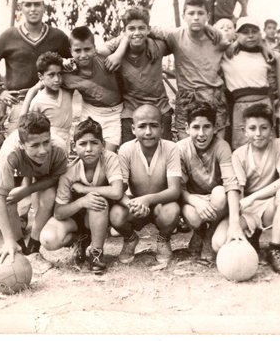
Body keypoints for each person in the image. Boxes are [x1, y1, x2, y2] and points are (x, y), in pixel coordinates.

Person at [0, 0, 72, 137]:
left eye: (37, 4)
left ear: (44, 7)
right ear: (21, 7)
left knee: (53, 148)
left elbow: (72, 62)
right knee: (17, 147)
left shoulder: (58, 36)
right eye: (28, 5)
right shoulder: (9, 36)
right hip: (20, 103)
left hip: (51, 101)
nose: (33, 9)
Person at [40, 118, 124, 274]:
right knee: (48, 239)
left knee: (97, 201)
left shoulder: (109, 159)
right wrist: (81, 202)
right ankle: (81, 240)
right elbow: (59, 212)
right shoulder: (70, 172)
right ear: (74, 147)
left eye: (94, 143)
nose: (89, 149)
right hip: (76, 218)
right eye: (83, 144)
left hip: (102, 214)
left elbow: (117, 191)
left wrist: (84, 190)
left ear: (103, 145)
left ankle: (96, 252)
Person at [0, 112, 68, 272]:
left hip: (45, 173)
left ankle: (33, 249)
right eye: (34, 145)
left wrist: (27, 190)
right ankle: (18, 247)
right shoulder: (9, 153)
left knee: (49, 196)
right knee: (9, 199)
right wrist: (8, 240)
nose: (42, 150)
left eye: (46, 142)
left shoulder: (59, 147)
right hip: (21, 167)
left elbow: (56, 178)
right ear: (21, 143)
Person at [149, 0, 229, 141]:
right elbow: (149, 29)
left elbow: (236, 42)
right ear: (184, 16)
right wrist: (151, 44)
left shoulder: (218, 39)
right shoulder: (176, 35)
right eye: (191, 13)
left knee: (218, 143)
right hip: (187, 96)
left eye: (200, 13)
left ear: (208, 16)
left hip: (213, 95)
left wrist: (211, 29)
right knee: (184, 143)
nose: (196, 18)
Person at [110, 105, 182, 263]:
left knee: (172, 210)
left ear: (162, 127)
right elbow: (118, 190)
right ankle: (130, 239)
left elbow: (175, 190)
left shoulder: (171, 148)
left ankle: (163, 239)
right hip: (135, 206)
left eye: (154, 125)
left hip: (160, 205)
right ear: (133, 129)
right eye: (142, 126)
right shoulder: (126, 150)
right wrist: (132, 204)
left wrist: (147, 200)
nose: (148, 132)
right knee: (116, 214)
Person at [230, 103, 280, 273]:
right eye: (252, 128)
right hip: (248, 209)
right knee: (219, 243)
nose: (258, 134)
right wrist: (237, 222)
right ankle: (252, 237)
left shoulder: (279, 145)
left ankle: (274, 249)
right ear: (244, 131)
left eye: (264, 128)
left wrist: (253, 197)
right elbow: (240, 192)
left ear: (272, 129)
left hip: (270, 206)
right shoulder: (238, 154)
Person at [97, 6, 173, 144]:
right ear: (124, 31)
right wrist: (121, 51)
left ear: (148, 29)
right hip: (131, 112)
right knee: (129, 155)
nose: (137, 33)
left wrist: (149, 39)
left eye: (142, 28)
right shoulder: (118, 46)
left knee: (164, 155)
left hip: (160, 109)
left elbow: (177, 36)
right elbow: (100, 51)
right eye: (131, 29)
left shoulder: (158, 46)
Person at [177, 102, 240, 263]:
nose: (201, 133)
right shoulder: (180, 149)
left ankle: (209, 233)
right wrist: (195, 201)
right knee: (193, 215)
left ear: (215, 128)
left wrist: (234, 222)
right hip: (193, 200)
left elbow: (231, 184)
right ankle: (199, 232)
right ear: (186, 128)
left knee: (220, 192)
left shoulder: (221, 147)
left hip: (217, 201)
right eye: (196, 127)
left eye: (207, 127)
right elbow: (177, 188)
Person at [62, 26, 124, 151]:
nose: (83, 55)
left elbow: (126, 35)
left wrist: (118, 54)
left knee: (108, 154)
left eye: (87, 49)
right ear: (71, 51)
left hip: (114, 113)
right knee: (88, 151)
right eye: (78, 50)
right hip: (90, 111)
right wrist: (61, 61)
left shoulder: (104, 57)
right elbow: (45, 69)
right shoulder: (67, 73)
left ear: (95, 48)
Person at [220, 16, 276, 150]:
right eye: (245, 32)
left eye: (254, 31)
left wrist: (263, 45)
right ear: (237, 34)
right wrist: (234, 43)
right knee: (242, 148)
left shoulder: (267, 55)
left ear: (260, 34)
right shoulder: (227, 55)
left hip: (264, 104)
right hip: (241, 107)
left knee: (268, 145)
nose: (250, 36)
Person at [20, 51, 74, 150]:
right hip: (48, 145)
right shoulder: (38, 101)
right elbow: (30, 127)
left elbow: (77, 68)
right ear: (41, 76)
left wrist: (67, 62)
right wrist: (34, 88)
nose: (57, 79)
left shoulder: (68, 91)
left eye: (59, 74)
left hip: (66, 143)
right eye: (51, 75)